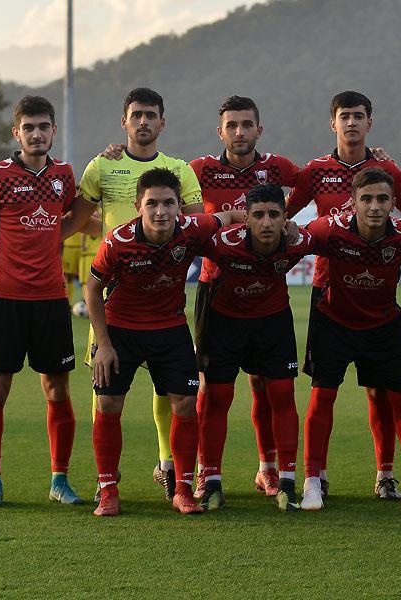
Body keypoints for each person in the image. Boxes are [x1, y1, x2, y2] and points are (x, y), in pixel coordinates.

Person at [287, 91, 401, 501]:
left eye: (359, 116)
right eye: (344, 116)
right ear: (333, 123)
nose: (351, 123)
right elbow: (284, 218)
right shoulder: (315, 171)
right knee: (324, 389)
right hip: (329, 293)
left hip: (377, 296)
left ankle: (386, 475)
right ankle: (317, 476)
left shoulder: (386, 170)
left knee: (380, 392)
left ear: (369, 123)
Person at [85, 168, 238, 517]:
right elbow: (92, 289)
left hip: (169, 328)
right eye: (152, 203)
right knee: (108, 404)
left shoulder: (192, 228)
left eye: (169, 203)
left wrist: (280, 225)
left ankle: (183, 490)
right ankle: (108, 491)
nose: (160, 211)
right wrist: (104, 345)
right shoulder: (117, 241)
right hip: (120, 330)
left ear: (179, 207)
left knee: (186, 403)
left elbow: (229, 216)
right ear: (138, 206)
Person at [0, 95, 97, 507]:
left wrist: (100, 227)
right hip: (4, 299)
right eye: (29, 128)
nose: (36, 134)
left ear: (53, 130)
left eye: (43, 127)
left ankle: (60, 480)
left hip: (51, 300)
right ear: (17, 133)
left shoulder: (63, 175)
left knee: (57, 391)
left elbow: (79, 217)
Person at [77, 87, 203, 503]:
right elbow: (76, 219)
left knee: (174, 394)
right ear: (124, 122)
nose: (144, 121)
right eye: (137, 115)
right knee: (106, 394)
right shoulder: (103, 165)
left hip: (166, 308)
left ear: (162, 122)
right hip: (116, 303)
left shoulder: (179, 170)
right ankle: (107, 484)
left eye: (151, 115)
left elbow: (205, 225)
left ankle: (171, 471)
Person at [300, 167, 401, 511]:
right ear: (353, 202)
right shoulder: (330, 229)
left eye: (383, 199)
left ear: (393, 202)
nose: (375, 206)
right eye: (367, 199)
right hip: (334, 324)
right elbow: (290, 242)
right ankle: (312, 481)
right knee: (322, 397)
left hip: (384, 326)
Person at [190, 95, 300, 498]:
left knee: (266, 386)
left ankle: (268, 468)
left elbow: (320, 183)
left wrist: (287, 221)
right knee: (213, 389)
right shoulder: (200, 169)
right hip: (216, 288)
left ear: (259, 129)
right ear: (220, 131)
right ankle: (206, 472)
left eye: (247, 124)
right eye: (232, 125)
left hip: (266, 287)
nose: (240, 132)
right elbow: (164, 195)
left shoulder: (278, 167)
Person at [197, 184, 311, 512]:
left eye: (274, 215)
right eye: (258, 215)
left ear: (285, 218)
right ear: (245, 219)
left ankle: (286, 482)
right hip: (224, 322)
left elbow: (334, 236)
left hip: (272, 322)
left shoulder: (298, 241)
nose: (266, 223)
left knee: (282, 395)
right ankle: (210, 480)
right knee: (218, 396)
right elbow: (185, 236)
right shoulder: (222, 242)